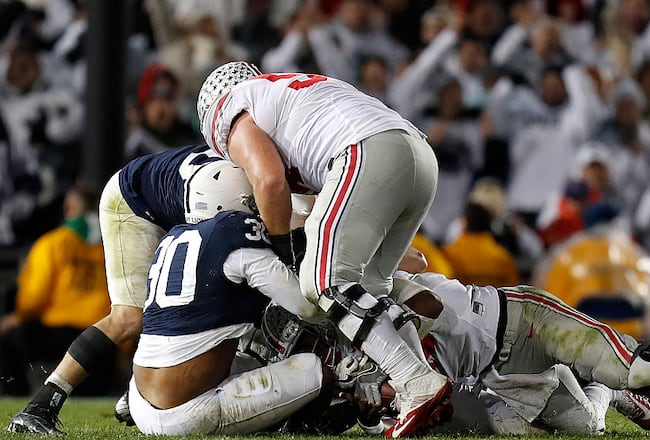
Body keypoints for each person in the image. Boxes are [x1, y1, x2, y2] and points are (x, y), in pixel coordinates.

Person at [197, 61, 450, 437]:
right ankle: (417, 387)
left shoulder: (230, 108)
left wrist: (283, 248)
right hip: (417, 154)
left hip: (365, 149)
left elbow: (269, 180)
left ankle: (415, 381)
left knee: (323, 282)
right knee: (368, 290)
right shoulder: (289, 94)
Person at [7, 146, 241, 433]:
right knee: (129, 316)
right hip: (134, 202)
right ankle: (41, 406)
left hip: (168, 207)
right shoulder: (264, 163)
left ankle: (136, 391)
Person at [391, 266, 650, 434]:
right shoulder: (361, 344)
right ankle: (609, 392)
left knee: (636, 369)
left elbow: (423, 288)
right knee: (588, 426)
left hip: (525, 319)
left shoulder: (380, 288)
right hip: (500, 372)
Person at [129, 204, 332, 435]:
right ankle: (296, 427)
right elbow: (308, 309)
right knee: (318, 372)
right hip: (186, 412)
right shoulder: (232, 236)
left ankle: (126, 401)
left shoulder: (173, 236)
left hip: (140, 396)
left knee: (257, 362)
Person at [0, 184, 111, 396]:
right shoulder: (110, 247)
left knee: (8, 341)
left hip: (58, 332)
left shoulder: (53, 243)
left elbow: (34, 297)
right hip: (101, 335)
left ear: (68, 207)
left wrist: (18, 317)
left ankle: (18, 398)